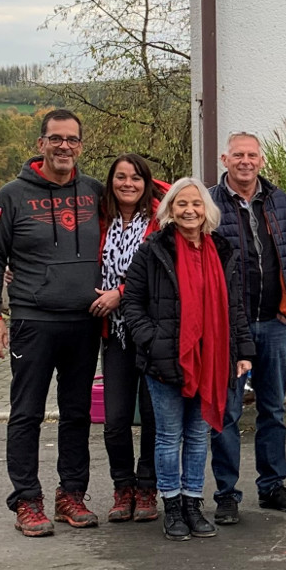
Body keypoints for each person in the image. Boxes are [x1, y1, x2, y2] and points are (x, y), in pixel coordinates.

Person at [0, 109, 105, 537]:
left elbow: (146, 199)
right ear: (41, 144)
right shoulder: (12, 195)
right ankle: (27, 500)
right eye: (56, 139)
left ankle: (71, 495)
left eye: (72, 139)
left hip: (84, 321)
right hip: (32, 322)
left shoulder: (95, 191)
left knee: (76, 414)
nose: (64, 147)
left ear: (80, 145)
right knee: (26, 414)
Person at [122, 178, 255, 541]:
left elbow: (235, 307)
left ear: (206, 209)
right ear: (170, 209)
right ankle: (173, 506)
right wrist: (153, 341)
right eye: (181, 203)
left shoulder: (224, 250)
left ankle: (193, 502)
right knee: (168, 437)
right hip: (166, 359)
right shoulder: (153, 249)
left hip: (212, 357)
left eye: (196, 203)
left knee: (198, 437)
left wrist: (243, 352)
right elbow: (132, 303)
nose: (190, 210)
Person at [209, 132, 286, 522]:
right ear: (225, 159)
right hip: (230, 328)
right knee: (227, 413)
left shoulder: (277, 200)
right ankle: (226, 494)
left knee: (273, 410)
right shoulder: (210, 202)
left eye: (252, 155)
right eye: (238, 155)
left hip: (274, 323)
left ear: (261, 160)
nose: (246, 161)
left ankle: (271, 486)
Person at [95, 154, 164, 523]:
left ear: (146, 183)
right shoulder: (100, 218)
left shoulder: (159, 220)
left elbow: (156, 272)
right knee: (116, 418)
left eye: (136, 178)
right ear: (111, 182)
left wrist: (120, 293)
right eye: (121, 177)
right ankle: (123, 487)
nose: (128, 184)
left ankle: (147, 487)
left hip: (150, 330)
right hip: (114, 334)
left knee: (152, 416)